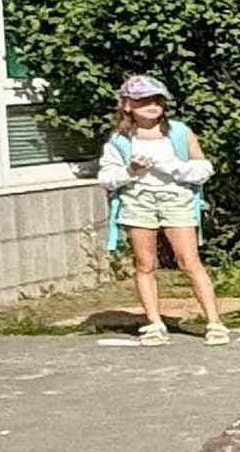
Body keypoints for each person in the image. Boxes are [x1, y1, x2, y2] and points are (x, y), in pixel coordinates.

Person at [98, 75, 228, 343]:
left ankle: (214, 321)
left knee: (189, 261)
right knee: (145, 263)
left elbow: (204, 168)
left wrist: (173, 167)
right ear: (127, 106)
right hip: (137, 200)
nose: (152, 105)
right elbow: (106, 178)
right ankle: (154, 322)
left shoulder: (179, 132)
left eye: (157, 100)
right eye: (143, 100)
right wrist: (130, 171)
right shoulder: (119, 140)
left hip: (177, 198)